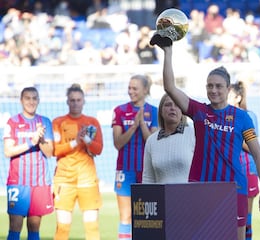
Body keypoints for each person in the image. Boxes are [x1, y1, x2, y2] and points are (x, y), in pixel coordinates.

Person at [158, 43, 260, 240]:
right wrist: (168, 52)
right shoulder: (199, 111)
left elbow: (258, 153)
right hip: (202, 187)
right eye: (210, 85)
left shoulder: (242, 118)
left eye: (218, 86)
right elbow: (170, 87)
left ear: (228, 89)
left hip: (234, 187)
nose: (214, 90)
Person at [52, 83, 103, 240]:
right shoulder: (58, 122)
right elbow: (55, 150)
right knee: (62, 228)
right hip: (64, 181)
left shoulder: (92, 122)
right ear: (67, 101)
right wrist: (75, 142)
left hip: (87, 180)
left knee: (92, 227)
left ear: (84, 101)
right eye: (72, 100)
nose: (75, 103)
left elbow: (98, 149)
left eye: (78, 100)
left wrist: (85, 139)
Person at [3, 86, 54, 240]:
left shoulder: (45, 122)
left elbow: (49, 153)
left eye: (34, 98)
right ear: (21, 100)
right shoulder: (12, 122)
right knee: (15, 227)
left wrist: (41, 138)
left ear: (38, 100)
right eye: (27, 98)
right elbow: (8, 151)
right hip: (18, 183)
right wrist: (32, 142)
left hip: (39, 182)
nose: (31, 101)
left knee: (34, 227)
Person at [112, 74, 158, 240]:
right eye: (129, 88)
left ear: (145, 90)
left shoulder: (154, 111)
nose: (130, 91)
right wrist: (132, 128)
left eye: (135, 88)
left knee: (147, 217)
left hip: (147, 172)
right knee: (125, 216)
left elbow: (152, 142)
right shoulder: (120, 111)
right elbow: (117, 143)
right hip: (125, 170)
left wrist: (142, 124)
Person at [228, 81, 260, 240]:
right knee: (229, 219)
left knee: (245, 218)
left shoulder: (248, 115)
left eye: (230, 95)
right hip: (230, 171)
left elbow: (253, 146)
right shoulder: (223, 117)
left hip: (247, 169)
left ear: (238, 97)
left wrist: (233, 138)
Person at [142, 93, 195, 183]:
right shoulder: (151, 141)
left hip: (188, 195)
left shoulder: (194, 134)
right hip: (161, 196)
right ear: (161, 111)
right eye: (168, 105)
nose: (172, 108)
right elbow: (148, 178)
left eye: (177, 105)